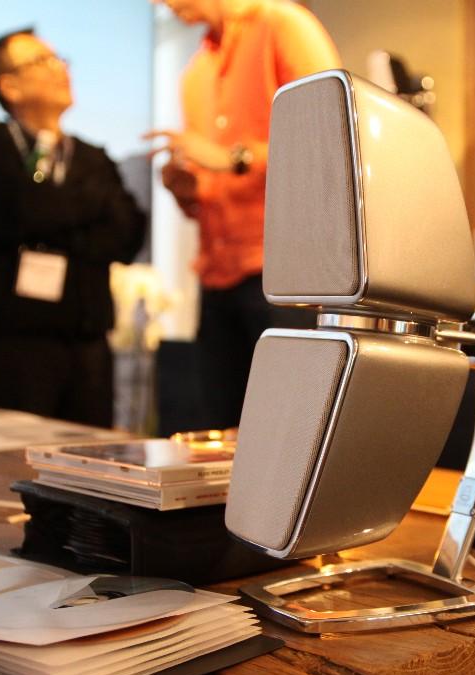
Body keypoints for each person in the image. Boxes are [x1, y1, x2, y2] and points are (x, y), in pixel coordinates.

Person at [145, 0, 340, 430]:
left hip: (287, 274)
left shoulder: (282, 25)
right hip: (218, 276)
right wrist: (191, 191)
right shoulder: (195, 71)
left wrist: (235, 158)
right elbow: (216, 181)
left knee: (292, 431)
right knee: (223, 431)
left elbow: (331, 133)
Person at [0, 28, 146, 428]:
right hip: (18, 344)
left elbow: (127, 235)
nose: (60, 69)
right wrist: (85, 216)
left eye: (60, 59)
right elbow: (18, 214)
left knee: (90, 456)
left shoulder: (93, 157)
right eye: (42, 61)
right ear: (9, 85)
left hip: (90, 345)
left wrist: (51, 226)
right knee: (13, 451)